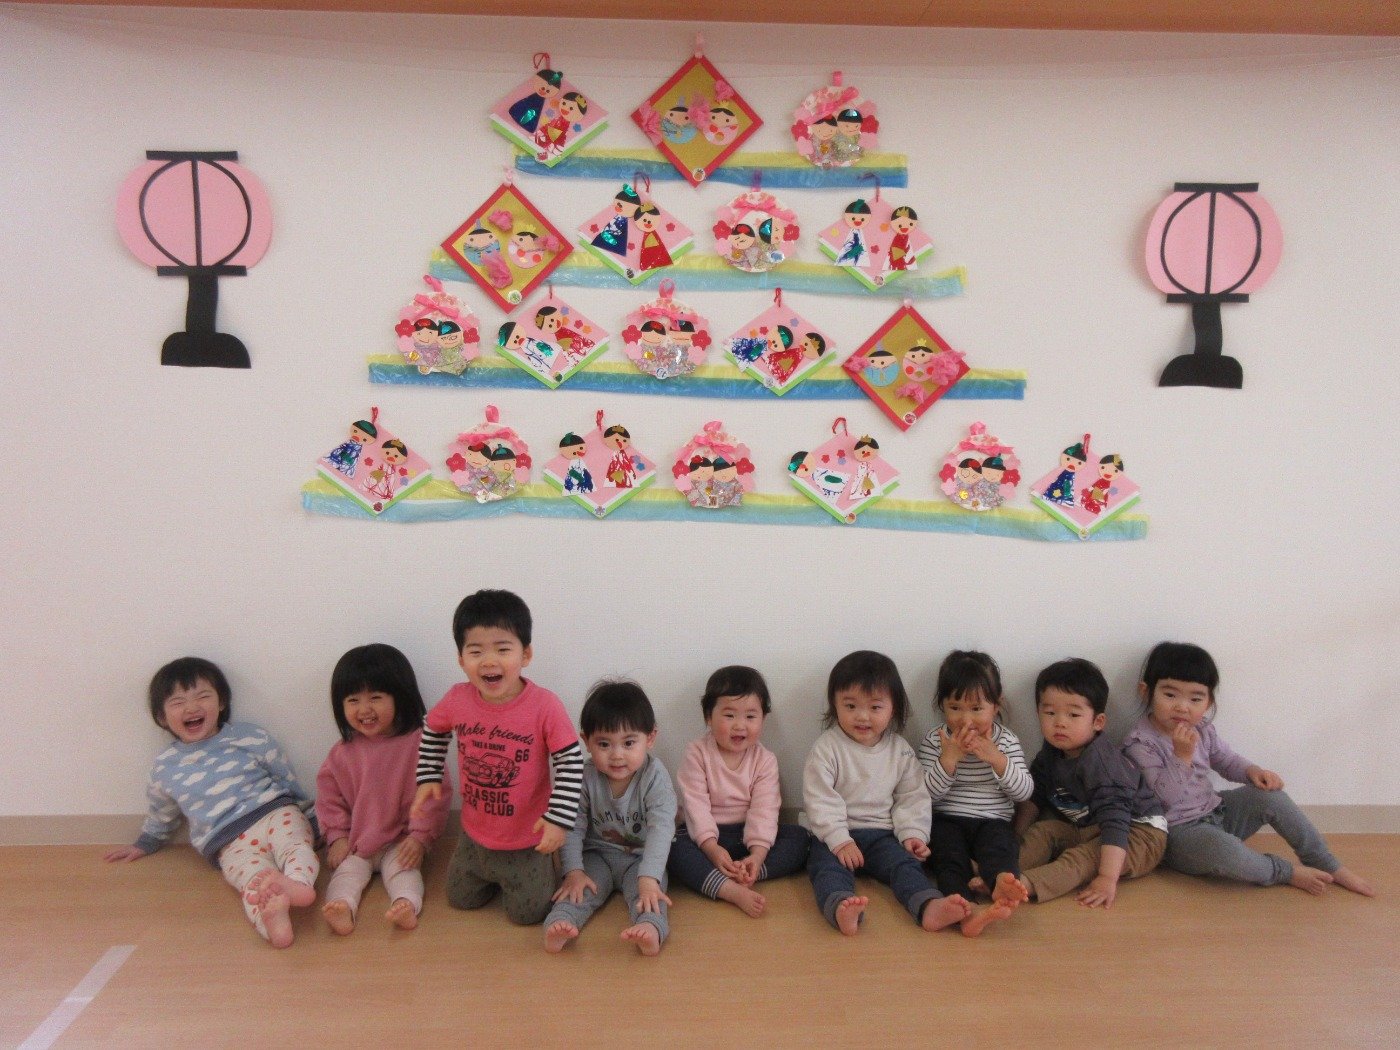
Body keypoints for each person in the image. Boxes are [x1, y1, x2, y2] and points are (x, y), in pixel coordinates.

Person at [1123, 642, 1374, 897]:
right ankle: (1283, 871)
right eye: (1170, 695)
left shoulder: (1202, 729)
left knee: (1271, 797)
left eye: (1195, 699)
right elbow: (1162, 799)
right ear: (1146, 692)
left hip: (1216, 811)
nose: (1182, 707)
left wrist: (1252, 771)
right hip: (1177, 833)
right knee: (1223, 850)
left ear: (1208, 702)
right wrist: (1181, 757)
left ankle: (1325, 862)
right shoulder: (1140, 743)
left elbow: (1226, 760)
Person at [104, 657, 319, 948]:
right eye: (178, 702)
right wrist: (146, 842)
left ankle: (298, 886)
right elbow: (162, 813)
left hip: (274, 814)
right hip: (228, 843)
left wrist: (311, 817)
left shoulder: (249, 737)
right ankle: (272, 922)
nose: (191, 708)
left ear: (221, 702)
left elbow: (285, 778)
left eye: (203, 696)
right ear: (162, 717)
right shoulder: (165, 767)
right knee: (251, 882)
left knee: (296, 847)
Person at [412, 590, 584, 925]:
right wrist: (429, 775)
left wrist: (558, 819)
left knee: (528, 915)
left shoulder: (545, 705)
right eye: (476, 651)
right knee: (460, 899)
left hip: (527, 840)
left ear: (526, 654)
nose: (489, 661)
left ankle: (536, 873)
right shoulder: (457, 699)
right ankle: (491, 874)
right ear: (461, 659)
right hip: (474, 836)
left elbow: (570, 762)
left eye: (503, 649)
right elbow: (433, 728)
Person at [804, 650, 973, 935]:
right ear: (835, 705)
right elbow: (819, 799)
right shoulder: (827, 748)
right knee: (825, 869)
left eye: (875, 707)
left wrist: (913, 834)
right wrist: (839, 840)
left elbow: (912, 796)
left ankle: (928, 906)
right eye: (850, 705)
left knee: (906, 866)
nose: (862, 716)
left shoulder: (899, 750)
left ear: (893, 708)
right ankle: (841, 907)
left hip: (882, 835)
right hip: (835, 836)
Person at [316, 644, 449, 935]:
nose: (364, 709)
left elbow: (434, 795)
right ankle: (343, 908)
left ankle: (406, 905)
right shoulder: (342, 753)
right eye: (353, 700)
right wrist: (337, 837)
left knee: (404, 873)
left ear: (399, 696)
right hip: (357, 842)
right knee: (345, 875)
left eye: (375, 698)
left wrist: (420, 838)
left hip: (402, 840)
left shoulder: (420, 744)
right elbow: (329, 799)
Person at [1016, 658, 1167, 907]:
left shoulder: (1102, 764)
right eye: (1050, 713)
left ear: (1098, 722)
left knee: (1083, 858)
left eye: (1073, 714)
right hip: (1091, 827)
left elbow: (1115, 822)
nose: (1060, 722)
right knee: (1043, 831)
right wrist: (1013, 837)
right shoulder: (1050, 752)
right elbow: (1034, 797)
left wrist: (1107, 878)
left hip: (1139, 833)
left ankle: (1023, 886)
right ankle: (999, 871)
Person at [544, 681, 677, 956]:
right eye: (604, 744)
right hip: (597, 855)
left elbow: (661, 829)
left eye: (629, 743)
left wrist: (649, 877)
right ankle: (561, 922)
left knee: (649, 896)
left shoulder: (655, 777)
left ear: (650, 738)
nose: (617, 755)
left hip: (640, 859)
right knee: (577, 890)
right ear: (586, 741)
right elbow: (573, 826)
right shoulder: (584, 776)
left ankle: (651, 928)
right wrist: (573, 871)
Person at [669, 666, 810, 917]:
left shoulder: (765, 760)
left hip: (748, 837)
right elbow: (695, 806)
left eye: (750, 716)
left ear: (763, 719)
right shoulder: (697, 753)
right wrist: (711, 848)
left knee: (801, 838)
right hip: (706, 838)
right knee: (672, 847)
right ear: (708, 717)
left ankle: (748, 871)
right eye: (729, 715)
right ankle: (727, 889)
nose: (739, 725)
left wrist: (757, 855)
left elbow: (765, 811)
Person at [917, 650, 1033, 936]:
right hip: (947, 819)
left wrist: (997, 760)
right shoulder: (936, 740)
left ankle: (1001, 881)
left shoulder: (1006, 741)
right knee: (947, 857)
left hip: (993, 820)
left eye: (977, 709)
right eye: (955, 708)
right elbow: (923, 796)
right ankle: (963, 906)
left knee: (1001, 847)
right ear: (942, 706)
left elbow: (1024, 792)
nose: (965, 719)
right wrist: (948, 761)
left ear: (996, 706)